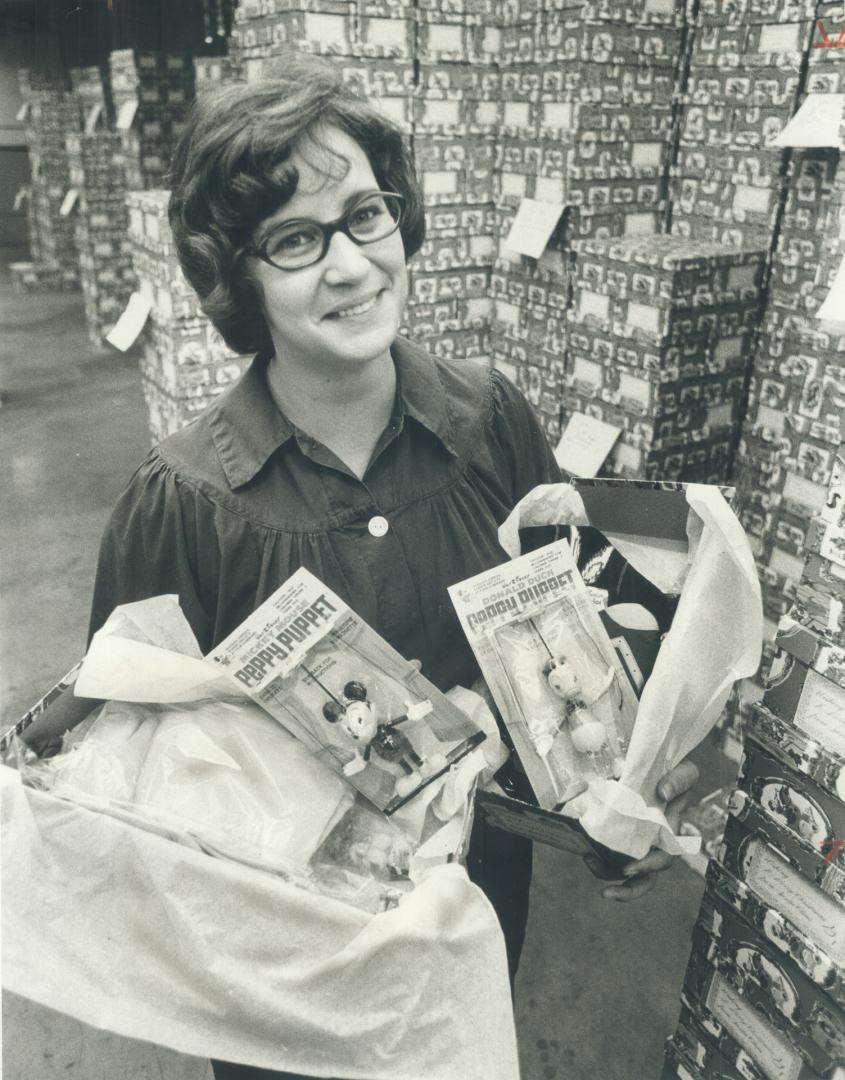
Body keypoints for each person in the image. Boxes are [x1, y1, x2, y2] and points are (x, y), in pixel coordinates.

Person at [24, 56, 698, 1080]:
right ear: (236, 274)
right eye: (295, 239)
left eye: (365, 215)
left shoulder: (491, 422)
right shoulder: (185, 505)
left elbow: (566, 644)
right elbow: (124, 770)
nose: (348, 264)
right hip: (284, 976)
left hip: (470, 922)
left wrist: (623, 794)